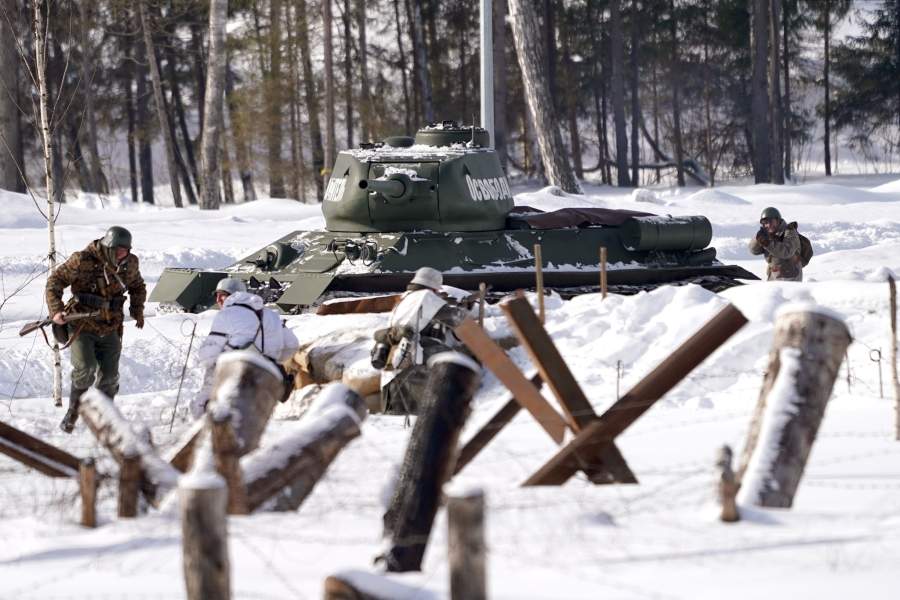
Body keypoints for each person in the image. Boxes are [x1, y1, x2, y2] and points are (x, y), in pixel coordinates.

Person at [46, 226, 146, 433]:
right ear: (108, 247)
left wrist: (137, 309)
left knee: (110, 376)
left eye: (125, 251)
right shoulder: (81, 260)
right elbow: (54, 281)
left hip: (110, 325)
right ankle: (72, 413)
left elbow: (137, 286)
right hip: (82, 325)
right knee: (85, 368)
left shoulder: (130, 263)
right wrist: (56, 311)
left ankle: (103, 419)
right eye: (118, 251)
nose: (122, 255)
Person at [191, 277, 299, 418]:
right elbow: (292, 345)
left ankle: (202, 425)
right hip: (269, 379)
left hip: (238, 377)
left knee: (207, 390)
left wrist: (203, 358)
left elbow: (209, 355)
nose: (218, 300)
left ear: (232, 296)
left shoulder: (226, 314)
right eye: (216, 296)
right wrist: (272, 358)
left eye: (222, 295)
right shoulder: (271, 315)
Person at [371, 267, 472, 415]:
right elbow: (456, 319)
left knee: (393, 425)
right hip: (414, 363)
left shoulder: (405, 298)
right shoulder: (426, 296)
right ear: (434, 286)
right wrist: (466, 307)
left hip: (394, 367)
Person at [749, 207, 803, 282]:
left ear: (778, 220)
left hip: (791, 278)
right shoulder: (768, 235)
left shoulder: (790, 232)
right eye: (765, 223)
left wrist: (767, 243)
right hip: (774, 277)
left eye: (770, 221)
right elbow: (753, 250)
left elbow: (787, 252)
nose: (768, 225)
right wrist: (757, 238)